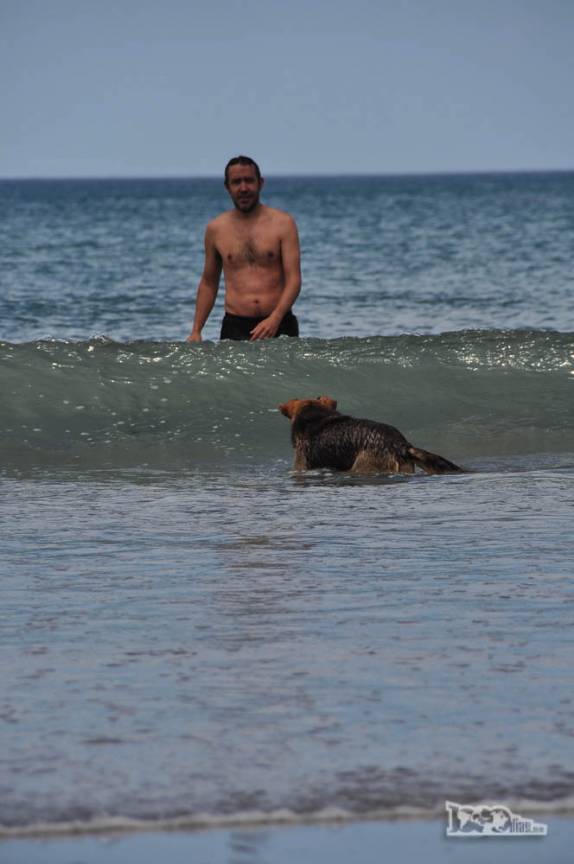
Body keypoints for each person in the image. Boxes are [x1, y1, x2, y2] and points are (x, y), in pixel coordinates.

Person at [187, 156, 301, 341]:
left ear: (260, 183)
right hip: (235, 327)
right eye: (236, 182)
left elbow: (294, 280)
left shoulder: (283, 224)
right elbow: (209, 282)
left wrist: (276, 317)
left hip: (279, 324)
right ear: (227, 187)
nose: (243, 188)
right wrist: (196, 330)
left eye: (249, 180)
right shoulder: (216, 229)